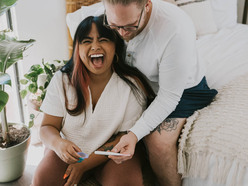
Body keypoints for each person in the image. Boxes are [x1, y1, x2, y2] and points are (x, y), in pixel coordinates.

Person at [67, 0, 218, 185]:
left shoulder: (175, 29)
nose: (121, 33)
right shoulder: (104, 14)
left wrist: (134, 134)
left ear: (147, 5)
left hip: (181, 90)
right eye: (115, 26)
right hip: (134, 83)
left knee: (158, 144)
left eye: (130, 26)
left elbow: (169, 97)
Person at [32, 15, 155, 186]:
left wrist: (85, 165)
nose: (95, 46)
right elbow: (47, 127)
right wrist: (58, 144)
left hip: (111, 155)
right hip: (70, 152)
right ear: (77, 49)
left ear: (115, 46)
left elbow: (124, 137)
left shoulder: (132, 86)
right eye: (87, 41)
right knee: (42, 180)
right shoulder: (62, 80)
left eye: (103, 39)